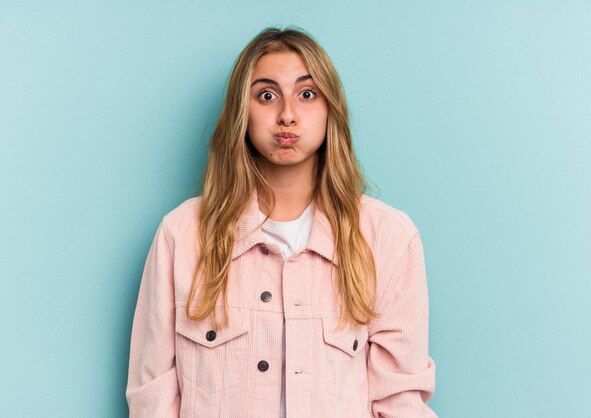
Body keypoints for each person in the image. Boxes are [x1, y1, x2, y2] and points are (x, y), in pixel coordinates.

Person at [126, 26, 437, 418]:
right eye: (267, 95)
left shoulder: (388, 238)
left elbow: (400, 403)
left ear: (330, 109)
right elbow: (151, 398)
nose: (287, 115)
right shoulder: (181, 235)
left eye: (307, 94)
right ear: (243, 110)